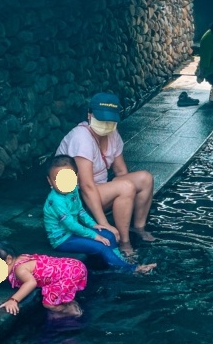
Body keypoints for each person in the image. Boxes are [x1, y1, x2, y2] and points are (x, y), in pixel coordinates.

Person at [55, 93, 156, 254]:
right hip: (76, 198)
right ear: (90, 115)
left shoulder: (112, 134)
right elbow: (86, 185)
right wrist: (104, 224)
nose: (106, 124)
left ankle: (139, 228)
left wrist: (123, 197)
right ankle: (124, 242)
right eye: (102, 119)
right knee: (125, 187)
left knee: (145, 178)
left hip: (100, 190)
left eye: (110, 120)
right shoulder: (81, 138)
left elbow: (121, 171)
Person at [44, 156, 155, 274]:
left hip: (74, 232)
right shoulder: (56, 201)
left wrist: (94, 225)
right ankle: (132, 270)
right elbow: (71, 225)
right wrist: (94, 235)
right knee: (101, 247)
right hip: (63, 239)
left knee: (110, 236)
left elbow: (80, 211)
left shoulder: (73, 190)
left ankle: (122, 261)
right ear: (50, 181)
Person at [0, 239, 86, 317]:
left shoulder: (19, 269)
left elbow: (31, 283)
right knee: (55, 296)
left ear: (9, 260)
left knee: (49, 304)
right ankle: (66, 302)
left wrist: (13, 300)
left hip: (69, 273)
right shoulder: (21, 258)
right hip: (71, 265)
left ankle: (69, 310)